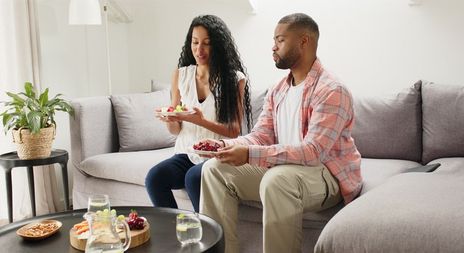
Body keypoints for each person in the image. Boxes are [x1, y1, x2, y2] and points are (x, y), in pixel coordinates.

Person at [197, 13, 362, 253]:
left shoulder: (332, 90)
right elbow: (261, 135)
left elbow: (313, 152)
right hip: (286, 170)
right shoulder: (278, 89)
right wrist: (226, 146)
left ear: (304, 42)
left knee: (277, 181)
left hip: (325, 174)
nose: (273, 47)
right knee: (214, 170)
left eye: (280, 40)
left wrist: (250, 155)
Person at [145, 15, 252, 213]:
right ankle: (177, 233)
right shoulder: (181, 74)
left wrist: (200, 121)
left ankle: (206, 238)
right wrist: (171, 119)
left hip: (216, 156)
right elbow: (176, 130)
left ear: (218, 46)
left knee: (193, 178)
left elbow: (234, 131)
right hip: (186, 152)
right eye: (195, 42)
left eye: (206, 43)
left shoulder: (234, 79)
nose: (199, 50)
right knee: (154, 178)